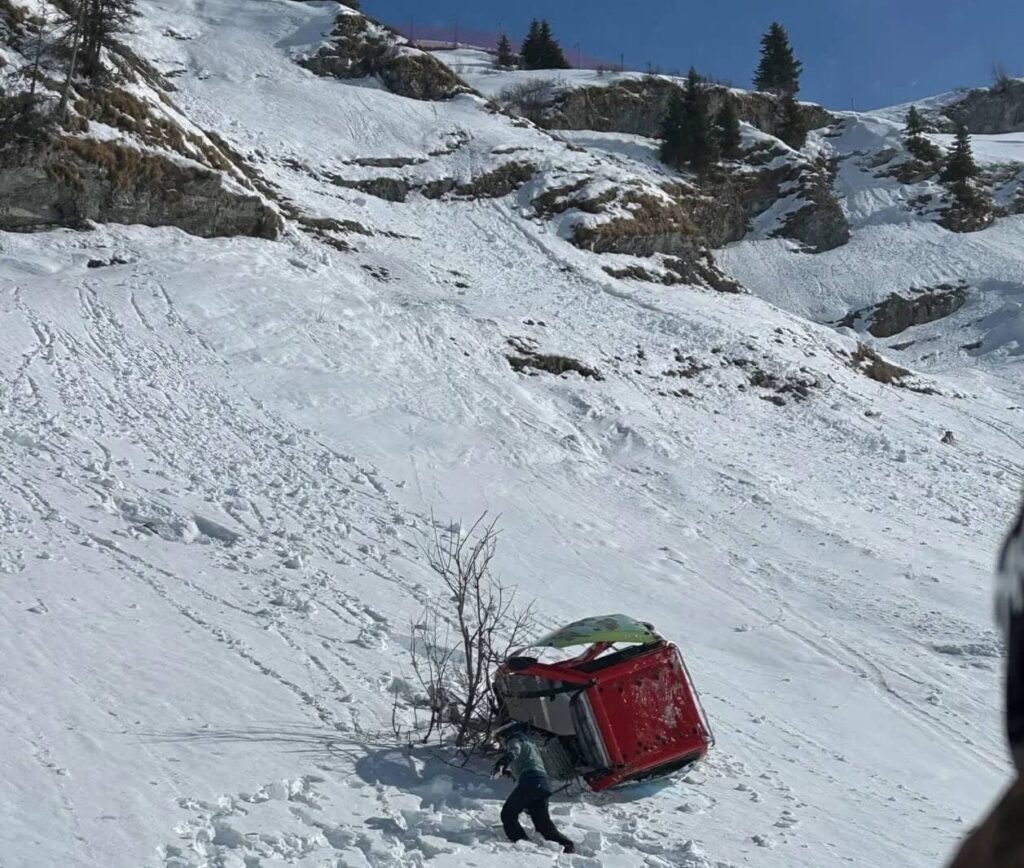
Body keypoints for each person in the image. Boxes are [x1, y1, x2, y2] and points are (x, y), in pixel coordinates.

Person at [491, 724, 575, 853]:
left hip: (530, 782)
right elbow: (530, 764)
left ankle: (521, 843)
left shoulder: (514, 740)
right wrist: (509, 773)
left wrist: (502, 763)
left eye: (500, 739)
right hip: (542, 783)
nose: (501, 743)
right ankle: (567, 846)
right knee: (542, 823)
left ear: (506, 734)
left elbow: (514, 752)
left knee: (508, 813)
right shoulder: (530, 745)